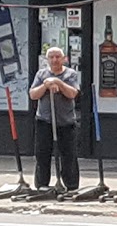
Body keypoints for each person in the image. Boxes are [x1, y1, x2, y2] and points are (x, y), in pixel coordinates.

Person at [28, 47, 81, 190]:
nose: (54, 60)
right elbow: (33, 95)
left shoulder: (70, 74)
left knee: (68, 155)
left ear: (63, 59)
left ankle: (71, 185)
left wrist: (58, 83)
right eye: (51, 57)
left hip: (66, 122)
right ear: (47, 60)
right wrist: (45, 85)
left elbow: (72, 94)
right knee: (42, 154)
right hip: (44, 121)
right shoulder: (41, 74)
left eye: (58, 57)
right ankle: (42, 185)